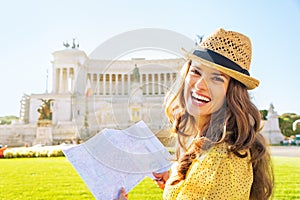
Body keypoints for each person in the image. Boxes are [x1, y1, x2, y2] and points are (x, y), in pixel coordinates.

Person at [118, 28, 274, 199]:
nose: (200, 84)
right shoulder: (209, 140)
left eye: (216, 78)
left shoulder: (220, 160)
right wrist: (177, 182)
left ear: (232, 92)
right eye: (196, 72)